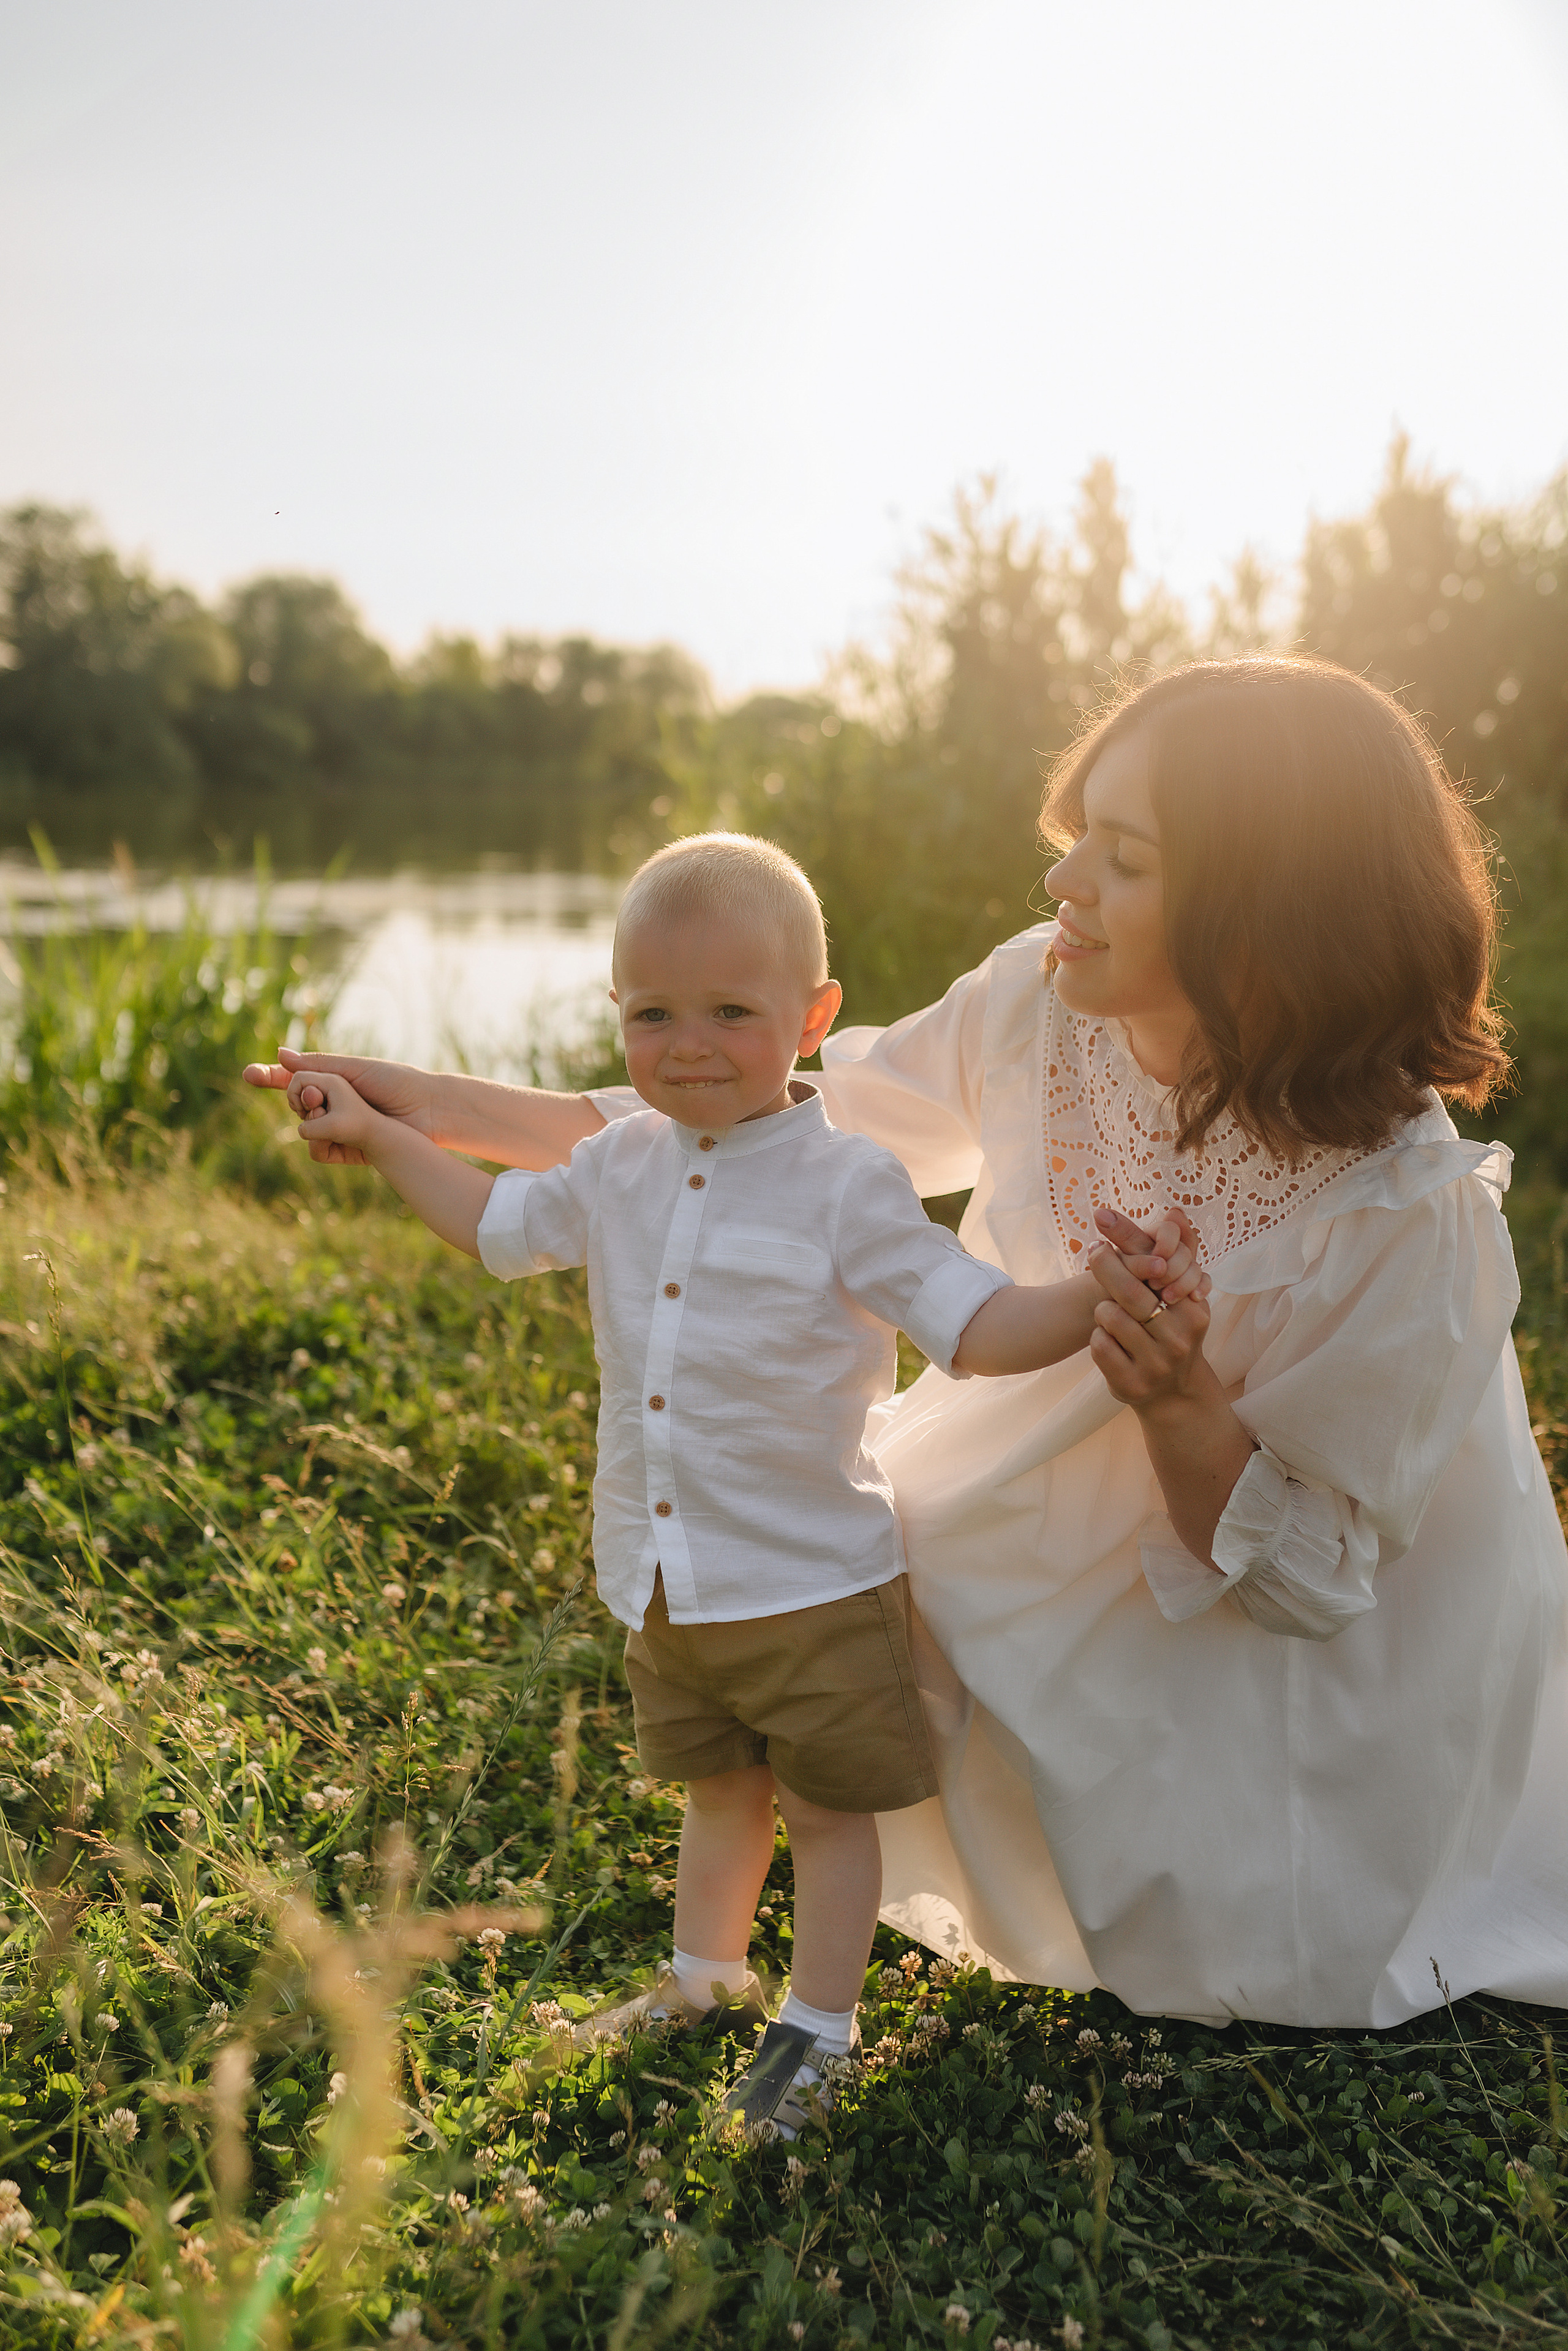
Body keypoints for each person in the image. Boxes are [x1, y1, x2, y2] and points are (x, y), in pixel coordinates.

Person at [249, 656, 1568, 2028]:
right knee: (839, 1558)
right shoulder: (1042, 1000)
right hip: (1046, 1478)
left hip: (1292, 1626)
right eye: (1073, 843)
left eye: (1120, 859)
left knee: (1247, 1910)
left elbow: (1304, 1582)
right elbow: (753, 1125)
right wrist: (421, 1104)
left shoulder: (1401, 1216)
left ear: (1267, 914)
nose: (1061, 888)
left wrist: (1177, 1400)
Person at [248, 831, 1207, 2118]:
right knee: (719, 1790)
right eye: (652, 1013)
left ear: (813, 1018)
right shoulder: (613, 1160)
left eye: (730, 1012)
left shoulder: (846, 1185)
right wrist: (377, 1129)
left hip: (811, 1575)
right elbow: (490, 1225)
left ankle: (818, 2024)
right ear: (616, 1015)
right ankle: (705, 1973)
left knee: (822, 1812)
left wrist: (1091, 1296)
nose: (687, 1043)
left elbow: (972, 1327)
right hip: (664, 1569)